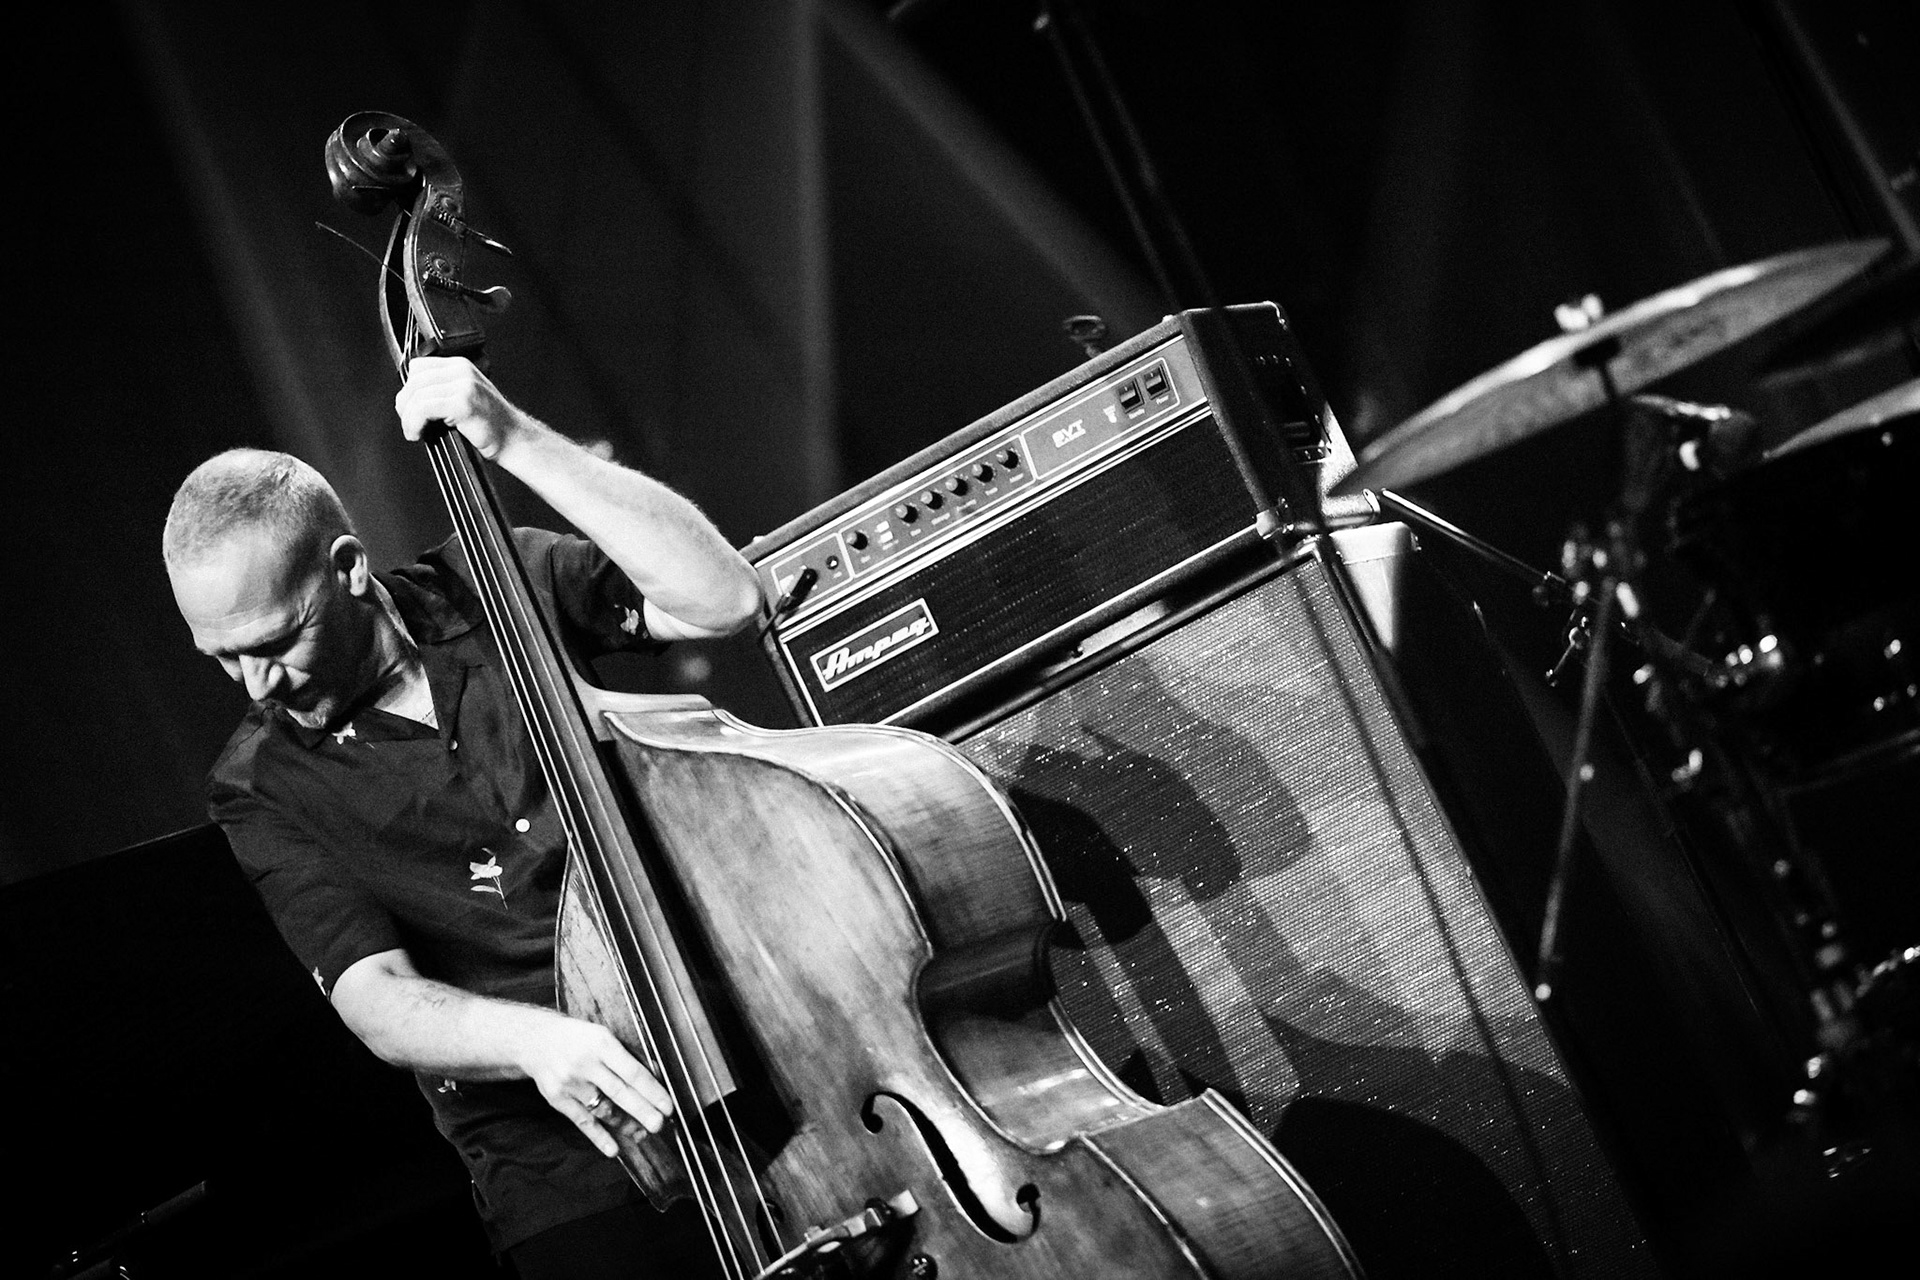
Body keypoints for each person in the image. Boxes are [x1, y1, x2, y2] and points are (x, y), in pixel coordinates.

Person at [163, 356, 762, 1277]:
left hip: (753, 1036)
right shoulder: (260, 784)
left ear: (349, 570)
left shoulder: (499, 579)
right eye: (223, 658)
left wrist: (514, 437)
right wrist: (536, 1042)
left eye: (277, 641)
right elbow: (377, 999)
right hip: (566, 1163)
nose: (257, 684)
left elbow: (723, 602)